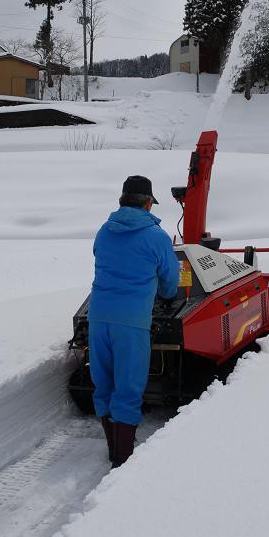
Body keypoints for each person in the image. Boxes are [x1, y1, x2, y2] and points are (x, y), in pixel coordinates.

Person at [88, 175, 180, 468]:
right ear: (148, 202)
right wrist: (165, 295)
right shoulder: (157, 237)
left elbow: (102, 262)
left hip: (99, 317)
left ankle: (112, 447)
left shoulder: (104, 231)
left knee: (103, 383)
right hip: (131, 322)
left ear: (122, 200)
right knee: (128, 386)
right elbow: (170, 281)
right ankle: (123, 460)